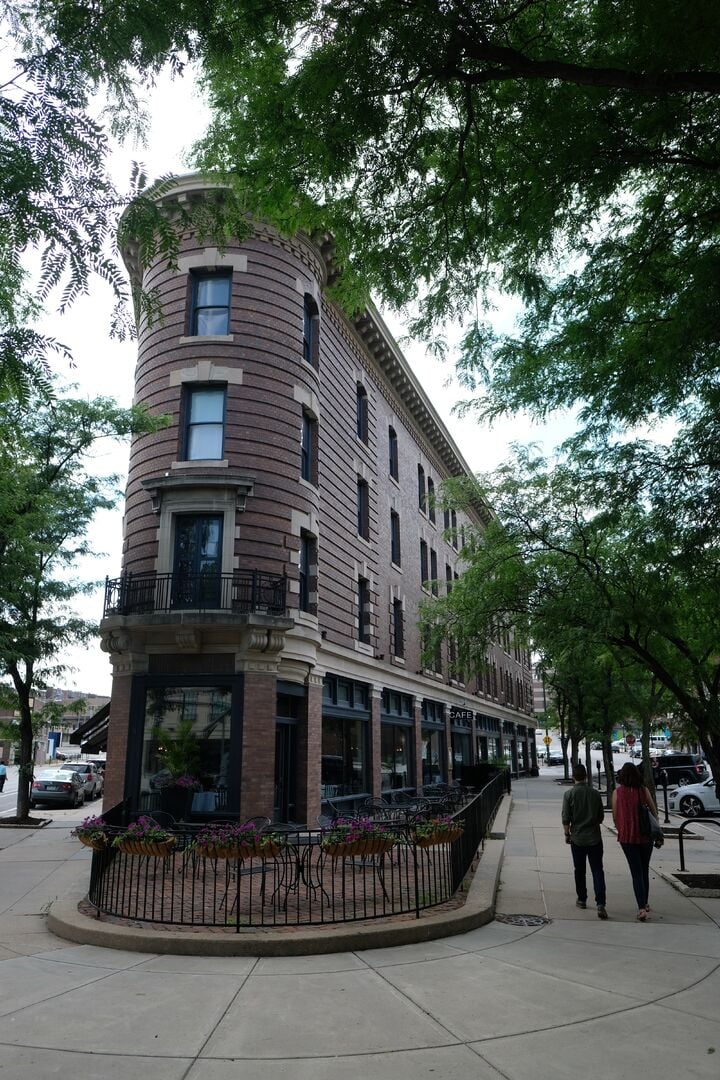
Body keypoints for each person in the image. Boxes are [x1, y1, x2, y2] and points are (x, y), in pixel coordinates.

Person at [612, 761, 658, 921]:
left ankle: (641, 908)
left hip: (627, 838)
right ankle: (644, 903)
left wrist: (621, 828)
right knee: (644, 869)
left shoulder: (617, 793)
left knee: (636, 872)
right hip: (645, 836)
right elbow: (653, 811)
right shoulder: (643, 791)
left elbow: (615, 815)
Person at [562, 763, 608, 919]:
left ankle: (582, 899)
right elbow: (601, 817)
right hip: (594, 838)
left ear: (573, 776)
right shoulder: (595, 794)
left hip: (577, 838)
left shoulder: (569, 795)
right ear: (586, 776)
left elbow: (566, 818)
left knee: (579, 870)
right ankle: (600, 903)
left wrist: (567, 834)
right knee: (597, 870)